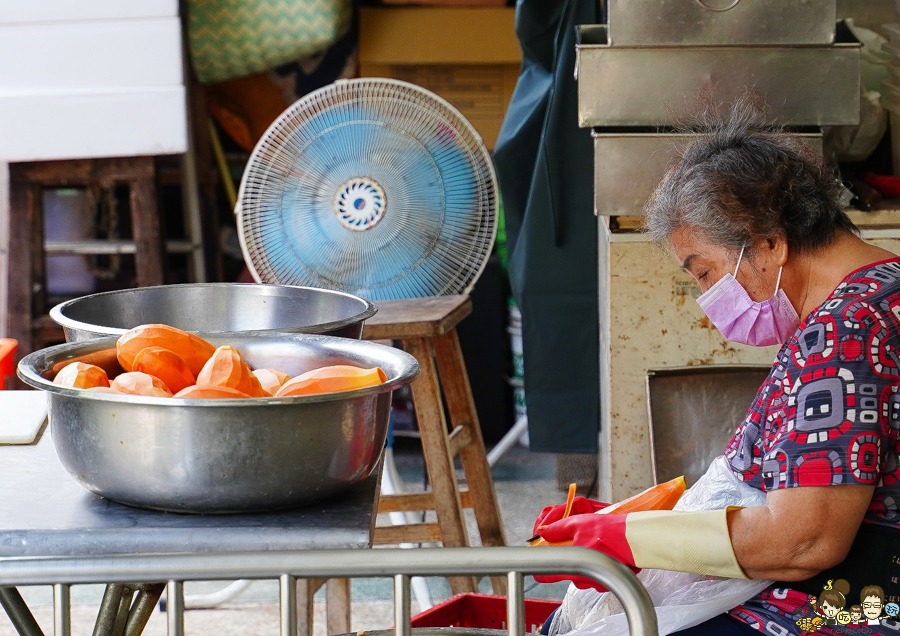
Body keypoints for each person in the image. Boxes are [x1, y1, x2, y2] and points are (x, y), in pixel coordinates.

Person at [532, 100, 900, 635]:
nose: (709, 300)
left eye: (705, 273)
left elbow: (806, 541)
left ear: (770, 242)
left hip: (848, 610)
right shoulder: (883, 285)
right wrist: (636, 519)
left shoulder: (845, 332)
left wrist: (632, 536)